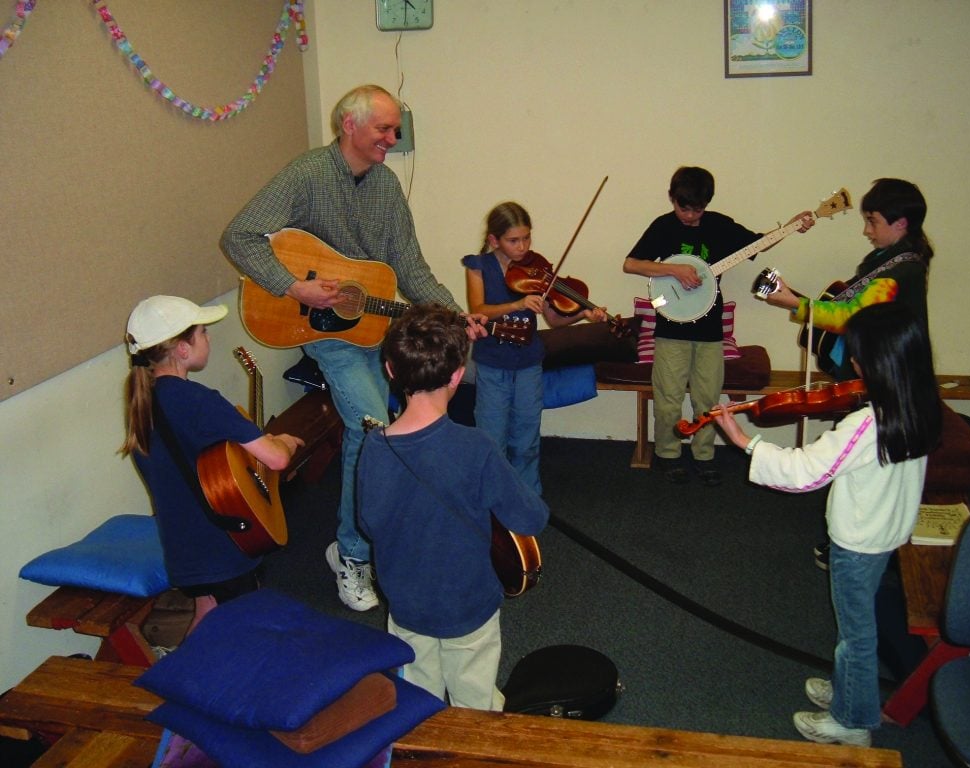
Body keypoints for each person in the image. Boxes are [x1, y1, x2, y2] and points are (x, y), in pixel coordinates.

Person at [220, 84, 485, 611]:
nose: (393, 137)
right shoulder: (306, 175)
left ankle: (384, 533)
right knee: (370, 431)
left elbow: (408, 265)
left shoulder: (385, 185)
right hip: (326, 337)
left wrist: (454, 311)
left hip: (375, 334)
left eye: (395, 129)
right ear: (349, 126)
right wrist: (293, 286)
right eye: (384, 129)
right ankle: (352, 555)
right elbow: (240, 236)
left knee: (402, 430)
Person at [713, 302, 942, 747]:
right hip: (887, 534)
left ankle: (853, 722)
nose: (851, 364)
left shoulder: (866, 424)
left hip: (858, 543)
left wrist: (745, 441)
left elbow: (806, 472)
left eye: (857, 356)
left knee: (854, 635)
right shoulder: (918, 403)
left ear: (877, 363)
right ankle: (849, 690)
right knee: (859, 625)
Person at [357, 304, 549, 710]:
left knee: (417, 698)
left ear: (390, 370)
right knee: (475, 697)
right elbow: (531, 517)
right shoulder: (476, 447)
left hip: (406, 604)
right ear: (459, 376)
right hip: (468, 603)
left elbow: (368, 524)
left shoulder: (373, 447)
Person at [762, 178, 933, 568]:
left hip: (886, 376)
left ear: (901, 223)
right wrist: (798, 301)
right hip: (884, 370)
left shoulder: (902, 270)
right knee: (867, 460)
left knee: (869, 461)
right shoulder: (891, 260)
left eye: (873, 222)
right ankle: (857, 534)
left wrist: (795, 303)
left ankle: (855, 541)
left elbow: (851, 316)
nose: (866, 231)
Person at [119, 295, 303, 634]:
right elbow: (275, 457)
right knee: (244, 631)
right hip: (223, 546)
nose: (209, 338)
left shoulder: (143, 406)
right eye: (203, 332)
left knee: (207, 612)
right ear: (182, 349)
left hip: (183, 547)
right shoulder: (199, 402)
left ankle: (183, 680)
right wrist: (287, 442)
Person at [623, 166, 812, 486]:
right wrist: (673, 270)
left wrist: (792, 225)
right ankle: (668, 453)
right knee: (668, 396)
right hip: (671, 325)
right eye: (684, 208)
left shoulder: (719, 225)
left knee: (708, 398)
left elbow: (758, 243)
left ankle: (704, 455)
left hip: (711, 329)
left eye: (698, 209)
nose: (691, 215)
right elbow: (631, 263)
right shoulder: (663, 226)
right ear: (672, 198)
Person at [462, 202, 607, 494]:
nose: (522, 246)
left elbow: (553, 319)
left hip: (529, 361)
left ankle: (527, 496)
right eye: (513, 240)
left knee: (527, 436)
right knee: (492, 435)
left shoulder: (536, 269)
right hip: (492, 362)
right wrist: (517, 303)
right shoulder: (479, 266)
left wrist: (582, 313)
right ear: (494, 240)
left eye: (527, 238)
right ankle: (493, 498)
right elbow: (478, 310)